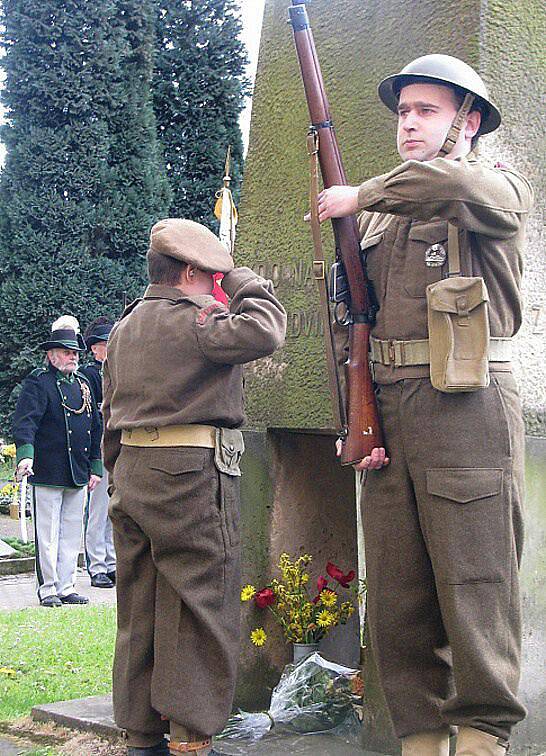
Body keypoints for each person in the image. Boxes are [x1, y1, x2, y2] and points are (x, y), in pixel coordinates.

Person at [318, 55, 533, 756]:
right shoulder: (378, 222)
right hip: (389, 411)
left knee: (476, 577)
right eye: (403, 112)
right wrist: (355, 421)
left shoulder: (492, 189)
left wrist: (362, 193)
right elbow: (351, 323)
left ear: (467, 124)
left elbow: (457, 186)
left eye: (428, 111)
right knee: (399, 594)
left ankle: (480, 736)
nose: (409, 123)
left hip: (465, 409)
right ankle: (419, 736)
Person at [102, 218, 286, 756]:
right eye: (213, 276)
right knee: (200, 606)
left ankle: (140, 736)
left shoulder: (125, 327)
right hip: (190, 477)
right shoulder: (200, 322)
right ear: (189, 272)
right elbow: (266, 328)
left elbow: (111, 416)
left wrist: (121, 476)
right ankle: (189, 737)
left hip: (132, 472)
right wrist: (247, 281)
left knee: (139, 610)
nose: (218, 286)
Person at [13, 315, 103, 607]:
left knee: (71, 532)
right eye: (67, 352)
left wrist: (95, 466)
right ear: (51, 356)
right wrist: (26, 456)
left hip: (77, 470)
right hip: (48, 470)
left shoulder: (83, 384)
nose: (72, 357)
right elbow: (25, 423)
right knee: (48, 534)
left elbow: (95, 426)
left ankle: (66, 586)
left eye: (75, 353)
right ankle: (48, 588)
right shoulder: (38, 383)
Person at [81, 317, 116, 589]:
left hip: (118, 445)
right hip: (100, 445)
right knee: (98, 510)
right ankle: (97, 565)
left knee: (115, 508)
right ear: (95, 349)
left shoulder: (117, 372)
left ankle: (112, 561)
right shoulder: (89, 375)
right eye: (105, 344)